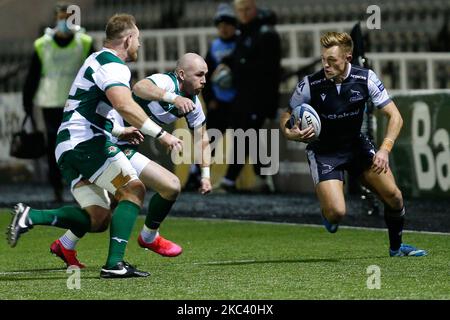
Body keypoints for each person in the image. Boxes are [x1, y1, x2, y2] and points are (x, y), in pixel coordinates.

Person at [7, 14, 185, 278]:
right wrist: (162, 134)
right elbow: (124, 105)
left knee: (98, 218)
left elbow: (88, 109)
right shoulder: (113, 65)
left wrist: (119, 130)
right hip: (85, 143)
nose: (140, 44)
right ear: (128, 39)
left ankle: (31, 216)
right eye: (138, 39)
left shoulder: (96, 60)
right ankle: (115, 265)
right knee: (133, 189)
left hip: (70, 145)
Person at [47, 52, 212, 268]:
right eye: (199, 74)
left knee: (121, 202)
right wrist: (173, 98)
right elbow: (140, 88)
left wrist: (206, 176)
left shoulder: (194, 104)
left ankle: (67, 243)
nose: (204, 80)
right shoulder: (165, 82)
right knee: (122, 200)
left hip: (123, 146)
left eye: (206, 75)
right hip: (108, 139)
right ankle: (136, 246)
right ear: (181, 74)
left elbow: (202, 139)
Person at [280, 31, 427, 257]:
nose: (326, 65)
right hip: (324, 152)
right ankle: (328, 213)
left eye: (332, 61)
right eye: (323, 60)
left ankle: (396, 249)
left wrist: (384, 150)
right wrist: (292, 134)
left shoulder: (365, 78)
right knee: (337, 212)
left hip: (357, 148)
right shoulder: (309, 84)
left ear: (348, 58)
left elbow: (395, 117)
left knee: (395, 197)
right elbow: (286, 117)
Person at [22, 2, 95, 202]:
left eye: (69, 17)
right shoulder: (42, 44)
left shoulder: (85, 42)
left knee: (80, 145)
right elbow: (32, 76)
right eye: (62, 17)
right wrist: (27, 103)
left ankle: (82, 187)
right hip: (51, 103)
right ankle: (57, 188)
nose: (65, 21)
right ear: (55, 19)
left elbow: (96, 72)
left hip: (77, 104)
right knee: (54, 147)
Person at [215, 0, 281, 193]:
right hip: (243, 95)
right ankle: (263, 178)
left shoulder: (266, 34)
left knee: (243, 135)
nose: (243, 14)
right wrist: (227, 63)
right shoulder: (246, 31)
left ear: (254, 8)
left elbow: (269, 71)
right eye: (240, 10)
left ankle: (229, 180)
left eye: (246, 10)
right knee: (248, 135)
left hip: (258, 95)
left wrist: (237, 70)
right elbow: (238, 55)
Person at [184, 3, 237, 190]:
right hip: (219, 102)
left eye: (228, 24)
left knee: (243, 140)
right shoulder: (215, 46)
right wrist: (210, 100)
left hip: (237, 102)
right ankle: (195, 174)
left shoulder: (242, 44)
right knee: (209, 140)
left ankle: (231, 179)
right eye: (221, 24)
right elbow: (203, 74)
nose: (224, 28)